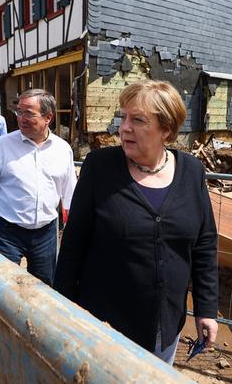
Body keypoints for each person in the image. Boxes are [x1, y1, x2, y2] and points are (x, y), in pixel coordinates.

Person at [53, 80, 218, 364]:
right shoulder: (99, 167)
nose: (124, 127)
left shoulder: (192, 172)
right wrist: (61, 312)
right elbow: (72, 245)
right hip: (104, 327)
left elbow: (204, 244)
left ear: (166, 129)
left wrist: (206, 309)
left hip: (163, 328)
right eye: (124, 117)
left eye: (138, 120)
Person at [0, 89, 76, 286]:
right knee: (4, 285)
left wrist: (71, 227)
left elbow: (69, 193)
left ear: (48, 117)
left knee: (44, 286)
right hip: (7, 232)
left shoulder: (63, 149)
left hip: (46, 233)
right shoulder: (0, 146)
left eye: (29, 113)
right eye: (19, 112)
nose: (21, 118)